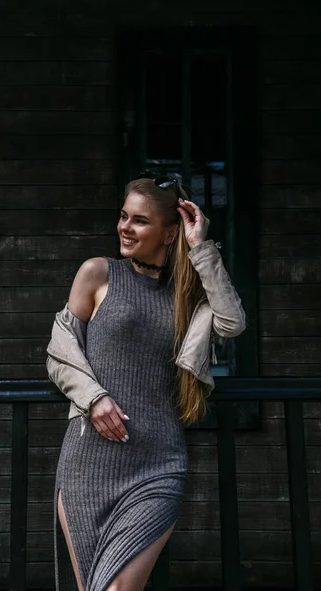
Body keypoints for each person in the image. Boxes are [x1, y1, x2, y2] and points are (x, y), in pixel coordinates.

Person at [46, 174, 246, 591]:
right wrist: (94, 398)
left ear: (169, 231)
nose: (125, 227)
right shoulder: (98, 274)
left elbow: (232, 323)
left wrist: (200, 247)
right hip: (89, 463)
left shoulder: (189, 295)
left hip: (158, 463)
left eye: (139, 220)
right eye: (123, 216)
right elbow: (59, 352)